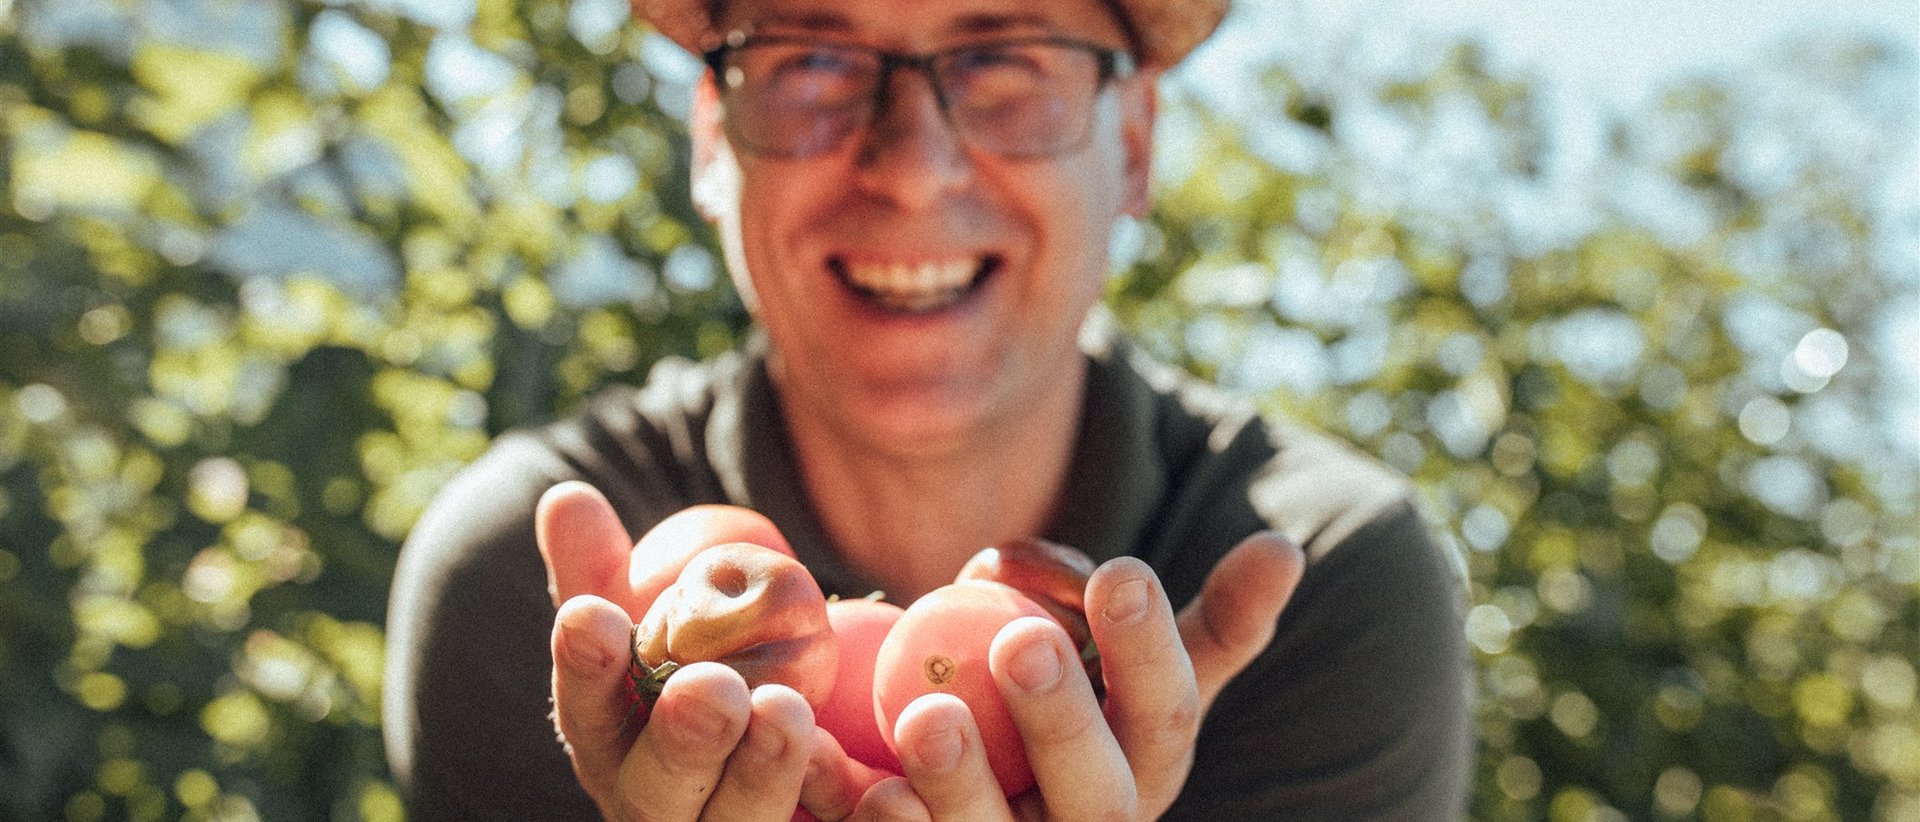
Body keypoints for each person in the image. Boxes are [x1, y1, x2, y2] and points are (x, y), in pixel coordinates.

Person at [382, 0, 1473, 818]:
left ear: (1134, 141)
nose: (911, 167)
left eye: (1002, 65)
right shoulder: (537, 601)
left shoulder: (1326, 587)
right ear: (713, 142)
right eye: (812, 62)